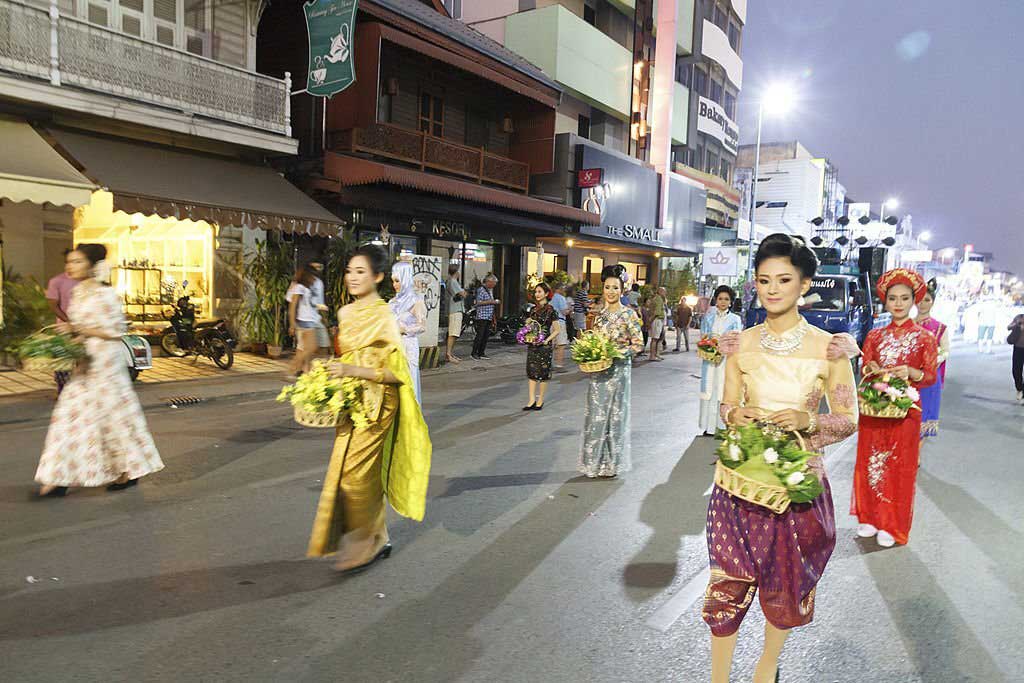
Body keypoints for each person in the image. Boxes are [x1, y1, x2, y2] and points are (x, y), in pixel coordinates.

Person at [705, 233, 857, 683]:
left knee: (784, 582)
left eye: (784, 279)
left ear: (804, 283)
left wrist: (808, 422)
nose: (772, 289)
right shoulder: (739, 344)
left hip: (795, 487)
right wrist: (737, 412)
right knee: (727, 580)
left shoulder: (830, 348)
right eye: (763, 280)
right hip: (738, 481)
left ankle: (765, 667)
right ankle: (717, 677)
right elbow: (726, 408)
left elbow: (849, 418)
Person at [308, 245, 432, 573]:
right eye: (349, 270)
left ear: (377, 277)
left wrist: (352, 372)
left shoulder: (383, 315)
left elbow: (396, 373)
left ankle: (365, 544)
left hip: (380, 404)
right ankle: (380, 536)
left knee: (354, 476)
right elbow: (346, 358)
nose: (352, 277)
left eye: (360, 271)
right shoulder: (345, 314)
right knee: (347, 470)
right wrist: (328, 375)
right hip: (351, 399)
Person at [34, 244, 164, 498]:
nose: (70, 266)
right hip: (85, 362)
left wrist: (76, 330)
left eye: (78, 262)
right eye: (69, 262)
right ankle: (59, 477)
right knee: (69, 418)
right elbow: (82, 328)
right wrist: (63, 345)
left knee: (112, 419)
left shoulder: (106, 294)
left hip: (106, 365)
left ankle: (127, 470)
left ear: (92, 266)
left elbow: (115, 331)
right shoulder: (80, 291)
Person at [851, 268, 938, 548]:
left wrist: (911, 372)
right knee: (871, 462)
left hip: (906, 412)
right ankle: (870, 517)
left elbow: (930, 376)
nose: (898, 303)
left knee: (898, 467)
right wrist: (872, 367)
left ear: (914, 300)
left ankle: (892, 522)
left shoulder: (925, 338)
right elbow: (866, 367)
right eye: (892, 298)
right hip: (875, 410)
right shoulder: (874, 336)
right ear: (885, 301)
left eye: (904, 298)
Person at [578, 265, 644, 478]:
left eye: (615, 287)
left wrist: (618, 353)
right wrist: (590, 354)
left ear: (622, 289)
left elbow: (638, 344)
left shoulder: (629, 315)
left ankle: (611, 464)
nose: (611, 291)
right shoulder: (599, 315)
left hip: (618, 372)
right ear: (603, 288)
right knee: (596, 417)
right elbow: (594, 341)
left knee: (614, 418)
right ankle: (593, 463)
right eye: (607, 287)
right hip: (599, 373)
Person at [698, 285, 743, 436]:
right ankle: (709, 427)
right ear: (715, 300)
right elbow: (703, 336)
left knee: (723, 391)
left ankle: (723, 425)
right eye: (720, 299)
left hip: (726, 361)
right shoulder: (708, 317)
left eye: (726, 299)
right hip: (710, 359)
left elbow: (737, 341)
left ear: (731, 302)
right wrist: (709, 346)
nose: (723, 302)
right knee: (710, 390)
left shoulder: (735, 319)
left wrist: (723, 348)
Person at [915, 281, 950, 440]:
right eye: (920, 300)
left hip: (929, 378)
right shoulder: (906, 325)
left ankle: (916, 456)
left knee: (924, 413)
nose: (923, 304)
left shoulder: (940, 327)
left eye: (927, 300)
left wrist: (936, 359)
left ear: (933, 302)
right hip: (907, 377)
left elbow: (945, 350)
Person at [389, 260, 427, 403]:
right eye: (393, 281)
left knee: (408, 383)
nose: (395, 285)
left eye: (398, 281)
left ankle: (411, 421)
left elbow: (422, 326)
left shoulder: (416, 301)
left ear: (406, 279)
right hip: (392, 346)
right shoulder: (392, 302)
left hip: (408, 345)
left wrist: (404, 329)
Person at [45, 249, 81, 394]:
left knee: (82, 362)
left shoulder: (86, 282)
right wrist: (68, 322)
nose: (73, 265)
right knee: (63, 362)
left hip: (85, 327)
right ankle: (62, 390)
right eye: (71, 261)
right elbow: (53, 305)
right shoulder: (57, 281)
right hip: (64, 328)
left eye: (78, 261)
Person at [523, 282, 561, 410]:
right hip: (533, 344)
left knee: (543, 373)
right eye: (536, 292)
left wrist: (547, 340)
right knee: (531, 372)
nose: (537, 294)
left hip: (544, 346)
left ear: (546, 293)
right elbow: (529, 326)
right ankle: (531, 399)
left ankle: (540, 400)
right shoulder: (533, 309)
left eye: (540, 292)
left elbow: (557, 329)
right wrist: (527, 324)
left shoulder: (551, 310)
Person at [286, 266, 319, 377]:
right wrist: (292, 323)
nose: (314, 278)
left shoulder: (304, 287)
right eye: (313, 276)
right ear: (307, 276)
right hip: (305, 321)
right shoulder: (299, 287)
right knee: (312, 347)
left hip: (307, 320)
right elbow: (293, 305)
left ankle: (305, 371)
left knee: (302, 348)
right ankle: (293, 368)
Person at [471, 273, 500, 360]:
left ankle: (481, 353)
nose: (494, 285)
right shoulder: (481, 290)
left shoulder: (490, 290)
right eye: (493, 283)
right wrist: (492, 302)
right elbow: (478, 303)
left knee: (486, 336)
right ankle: (474, 353)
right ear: (488, 282)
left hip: (489, 316)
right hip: (482, 316)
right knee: (480, 335)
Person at [307, 262, 331, 353]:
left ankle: (318, 366)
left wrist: (324, 318)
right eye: (315, 267)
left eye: (320, 267)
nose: (318, 269)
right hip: (305, 319)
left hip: (316, 318)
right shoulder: (303, 282)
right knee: (306, 348)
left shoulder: (319, 283)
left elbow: (320, 302)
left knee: (324, 344)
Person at [445, 264, 465, 364]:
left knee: (455, 333)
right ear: (457, 272)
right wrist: (464, 292)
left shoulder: (453, 282)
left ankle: (450, 354)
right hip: (455, 310)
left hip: (456, 309)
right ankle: (448, 354)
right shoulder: (453, 282)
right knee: (453, 333)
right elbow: (463, 294)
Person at [550, 282, 571, 370]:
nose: (564, 290)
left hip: (551, 322)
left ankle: (549, 363)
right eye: (563, 288)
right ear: (559, 289)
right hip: (559, 322)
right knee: (561, 344)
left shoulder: (551, 298)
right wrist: (570, 309)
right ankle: (559, 365)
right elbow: (564, 312)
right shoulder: (561, 298)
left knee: (552, 344)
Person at [648, 286, 667, 361]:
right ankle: (652, 356)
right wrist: (650, 321)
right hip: (657, 320)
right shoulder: (658, 299)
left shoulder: (659, 299)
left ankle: (655, 354)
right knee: (655, 339)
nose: (665, 293)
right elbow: (657, 312)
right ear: (660, 292)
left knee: (657, 338)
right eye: (664, 291)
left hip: (659, 320)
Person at [1009, 312, 1024, 403]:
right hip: (1018, 348)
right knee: (1016, 371)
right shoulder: (1019, 317)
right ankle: (1019, 389)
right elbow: (1008, 327)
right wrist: (1016, 325)